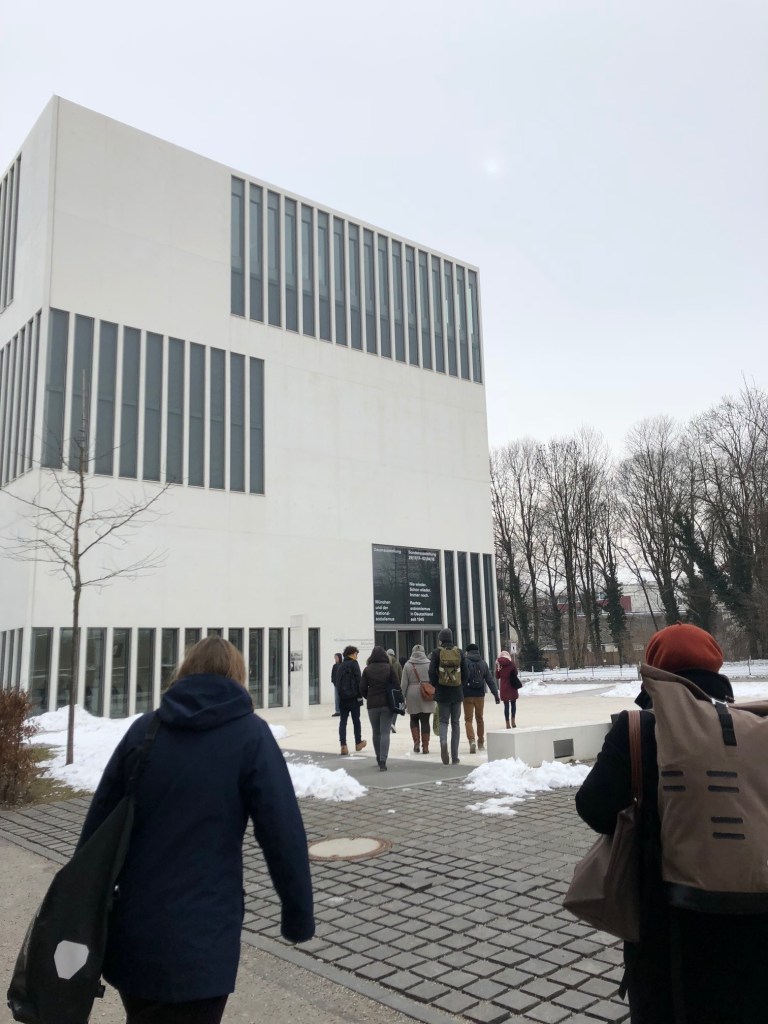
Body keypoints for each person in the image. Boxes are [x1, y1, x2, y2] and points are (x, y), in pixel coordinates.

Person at [76, 636, 315, 1024]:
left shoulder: (145, 731)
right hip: (205, 937)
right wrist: (298, 916)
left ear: (184, 672)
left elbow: (96, 831)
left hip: (136, 932)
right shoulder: (250, 736)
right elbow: (283, 832)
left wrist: (81, 910)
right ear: (238, 676)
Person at [575, 623, 768, 1023]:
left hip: (667, 922)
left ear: (655, 669)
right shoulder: (755, 727)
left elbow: (592, 806)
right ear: (717, 667)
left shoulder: (639, 730)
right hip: (756, 918)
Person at [428, 627, 468, 765]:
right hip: (457, 693)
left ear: (441, 639)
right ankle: (455, 757)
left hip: (442, 693)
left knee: (444, 721)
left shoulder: (436, 653)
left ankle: (443, 742)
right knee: (455, 723)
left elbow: (431, 672)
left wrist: (437, 685)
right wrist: (460, 685)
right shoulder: (459, 652)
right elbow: (466, 673)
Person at [360, 645, 399, 770]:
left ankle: (378, 757)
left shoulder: (367, 670)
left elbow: (362, 688)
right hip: (387, 704)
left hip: (372, 705)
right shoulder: (389, 668)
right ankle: (383, 760)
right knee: (385, 733)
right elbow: (396, 684)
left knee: (375, 732)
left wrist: (368, 696)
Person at [462, 643, 500, 753]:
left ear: (468, 652)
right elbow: (490, 680)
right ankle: (481, 742)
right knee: (480, 719)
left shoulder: (465, 662)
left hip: (467, 695)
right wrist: (495, 695)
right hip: (480, 695)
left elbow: (462, 679)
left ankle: (472, 740)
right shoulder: (483, 663)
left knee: (468, 720)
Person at [401, 643, 436, 753]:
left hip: (412, 694)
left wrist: (402, 697)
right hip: (427, 693)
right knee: (425, 721)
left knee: (414, 719)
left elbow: (403, 684)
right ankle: (425, 747)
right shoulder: (430, 664)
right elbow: (434, 680)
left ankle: (416, 742)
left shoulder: (407, 665)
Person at [336, 645, 367, 755]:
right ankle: (358, 743)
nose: (357, 656)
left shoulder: (341, 666)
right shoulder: (354, 664)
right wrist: (361, 695)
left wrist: (340, 695)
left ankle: (343, 746)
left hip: (343, 699)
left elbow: (337, 683)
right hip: (354, 699)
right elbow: (359, 680)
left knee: (343, 722)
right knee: (356, 721)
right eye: (356, 654)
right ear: (352, 654)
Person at [496, 650, 521, 728]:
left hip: (504, 687)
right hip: (512, 686)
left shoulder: (499, 664)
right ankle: (513, 721)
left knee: (506, 705)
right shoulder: (511, 663)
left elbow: (497, 676)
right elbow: (516, 673)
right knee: (513, 703)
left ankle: (507, 723)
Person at [386, 649, 402, 733]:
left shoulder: (384, 664)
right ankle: (392, 723)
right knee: (395, 707)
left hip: (386, 689)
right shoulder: (398, 664)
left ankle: (388, 723)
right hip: (396, 689)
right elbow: (401, 677)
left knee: (388, 706)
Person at [331, 652, 343, 716]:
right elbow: (332, 675)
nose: (335, 659)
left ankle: (343, 710)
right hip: (336, 685)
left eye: (336, 657)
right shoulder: (334, 666)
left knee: (342, 698)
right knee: (337, 698)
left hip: (342, 685)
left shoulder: (343, 665)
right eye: (335, 658)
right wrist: (334, 682)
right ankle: (337, 711)